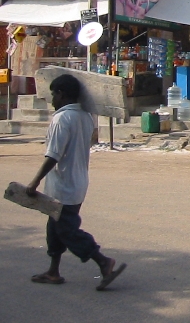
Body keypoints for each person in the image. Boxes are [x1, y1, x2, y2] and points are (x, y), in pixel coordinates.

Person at [25, 74, 126, 290]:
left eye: (53, 94)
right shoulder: (85, 117)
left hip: (64, 185)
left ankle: (103, 261)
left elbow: (53, 155)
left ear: (61, 94)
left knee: (67, 230)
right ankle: (53, 271)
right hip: (76, 182)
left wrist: (34, 183)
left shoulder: (62, 119)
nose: (51, 99)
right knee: (55, 227)